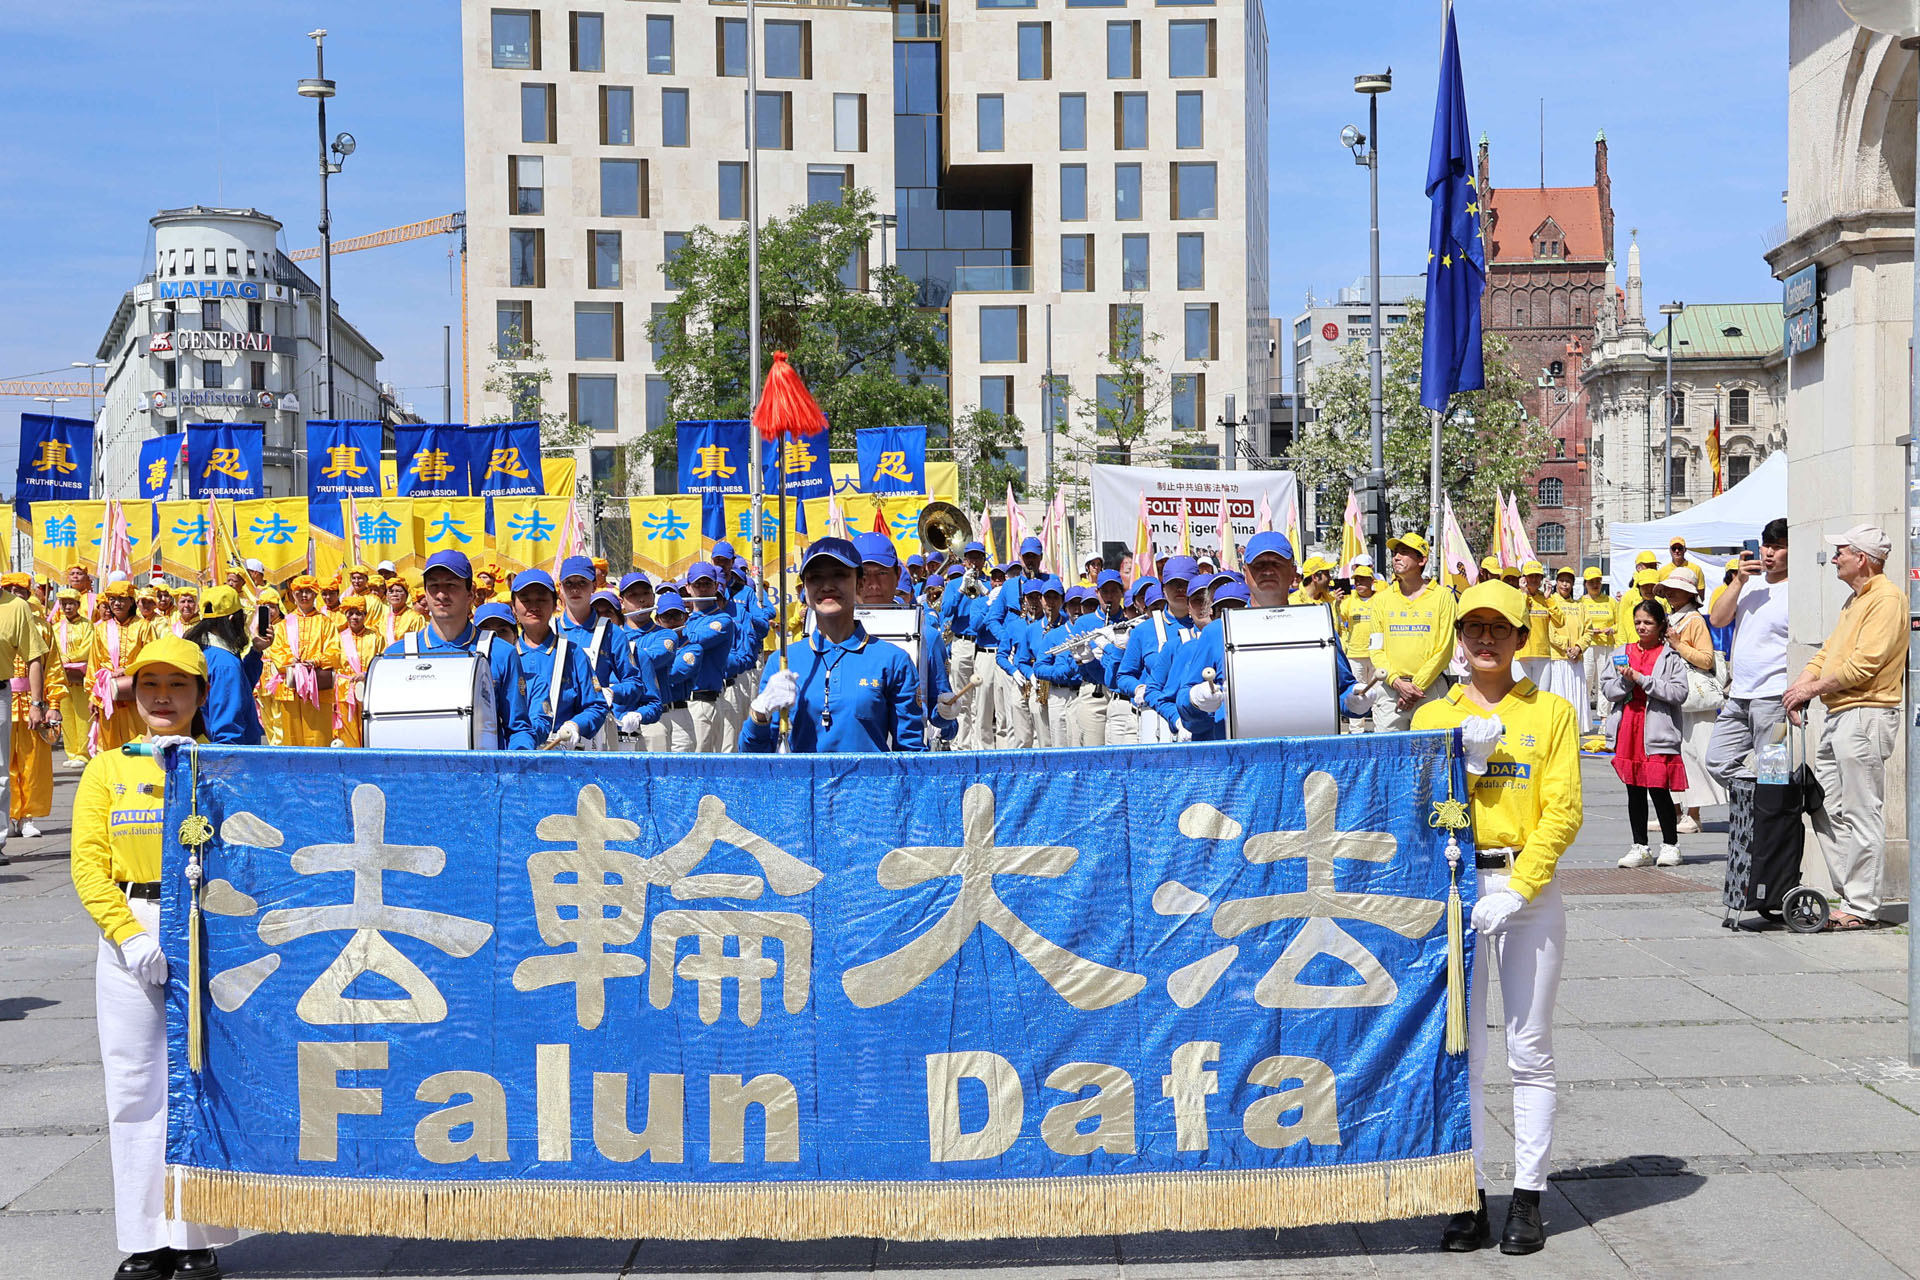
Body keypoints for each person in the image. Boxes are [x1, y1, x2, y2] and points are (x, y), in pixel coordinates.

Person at [1413, 581, 1581, 1257]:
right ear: (1459, 637)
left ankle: (1529, 1197)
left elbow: (1563, 810)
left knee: (1528, 1048)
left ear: (1520, 637)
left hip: (1524, 892)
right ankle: (1470, 1194)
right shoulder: (1433, 717)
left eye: (1499, 628)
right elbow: (1417, 810)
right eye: (1474, 628)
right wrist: (1460, 769)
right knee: (1466, 1052)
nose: (1486, 639)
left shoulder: (1552, 712)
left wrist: (1521, 887)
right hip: (1456, 888)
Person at [70, 636, 236, 1280]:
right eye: (150, 686)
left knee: (200, 1081)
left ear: (201, 695)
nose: (163, 698)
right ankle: (144, 1238)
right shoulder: (106, 770)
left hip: (205, 925)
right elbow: (88, 866)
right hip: (130, 927)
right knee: (134, 1083)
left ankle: (195, 1237)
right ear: (132, 694)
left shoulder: (225, 767)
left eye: (177, 685)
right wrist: (128, 935)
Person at [1784, 524, 1904, 929]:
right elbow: (1828, 653)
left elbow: (1863, 666)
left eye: (1842, 551)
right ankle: (1850, 895)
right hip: (1841, 713)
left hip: (1865, 713)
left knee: (1861, 811)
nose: (1835, 558)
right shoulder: (1856, 600)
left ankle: (1861, 906)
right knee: (1825, 806)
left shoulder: (1886, 599)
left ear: (1862, 559)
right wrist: (1801, 686)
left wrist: (1811, 689)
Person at [743, 537, 926, 752]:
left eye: (839, 575)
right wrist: (759, 714)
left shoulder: (894, 661)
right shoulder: (782, 662)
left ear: (859, 583)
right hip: (803, 776)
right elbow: (754, 757)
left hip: (870, 776)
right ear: (805, 590)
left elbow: (911, 754)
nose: (827, 586)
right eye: (815, 577)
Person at [381, 549, 533, 751]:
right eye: (434, 586)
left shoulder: (501, 653)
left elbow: (518, 729)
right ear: (425, 593)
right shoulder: (397, 656)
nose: (441, 594)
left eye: (451, 585)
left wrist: (519, 759)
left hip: (481, 770)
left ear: (470, 593)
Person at [1603, 597, 1691, 868]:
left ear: (1661, 625)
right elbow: (1607, 689)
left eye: (1648, 623)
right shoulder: (1622, 651)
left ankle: (1671, 844)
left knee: (1658, 788)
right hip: (1629, 726)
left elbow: (1679, 692)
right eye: (1638, 622)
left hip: (1657, 728)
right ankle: (1640, 845)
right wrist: (1625, 682)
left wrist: (1642, 679)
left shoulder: (1670, 656)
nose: (1641, 627)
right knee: (1634, 790)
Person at [1706, 518, 1790, 787]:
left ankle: (1770, 805)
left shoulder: (1797, 590)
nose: (1769, 553)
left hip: (1774, 696)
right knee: (1717, 760)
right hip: (1739, 693)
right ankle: (1759, 798)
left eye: (1778, 547)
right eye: (1766, 545)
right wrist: (1739, 580)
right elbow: (1717, 619)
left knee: (1773, 770)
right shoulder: (1749, 583)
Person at [1368, 533, 1457, 730]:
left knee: (1430, 749)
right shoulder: (1382, 600)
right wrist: (1397, 683)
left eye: (1404, 552)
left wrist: (1416, 686)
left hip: (1430, 690)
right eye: (1395, 553)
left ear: (1422, 560)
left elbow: (1444, 649)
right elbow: (1376, 649)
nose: (1396, 557)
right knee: (1389, 749)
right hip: (1390, 693)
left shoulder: (1443, 597)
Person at [512, 568, 606, 749]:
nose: (534, 606)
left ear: (555, 604)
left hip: (561, 748)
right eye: (525, 600)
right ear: (513, 607)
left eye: (541, 599)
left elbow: (596, 705)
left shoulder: (573, 653)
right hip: (514, 752)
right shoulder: (505, 657)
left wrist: (575, 725)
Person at [1659, 571, 1723, 833]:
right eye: (1668, 589)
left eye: (1676, 589)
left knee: (1694, 753)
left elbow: (1706, 660)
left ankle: (1693, 814)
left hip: (1693, 697)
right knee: (1673, 753)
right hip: (1673, 694)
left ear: (1689, 593)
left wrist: (1678, 645)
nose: (1670, 593)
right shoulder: (1671, 618)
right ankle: (1673, 813)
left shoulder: (1694, 620)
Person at [183, 587, 263, 746]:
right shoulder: (225, 664)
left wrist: (256, 651)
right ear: (233, 619)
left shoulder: (198, 649)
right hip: (229, 753)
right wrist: (229, 757)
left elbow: (241, 689)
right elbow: (227, 729)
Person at [265, 576, 338, 748]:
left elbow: (334, 652)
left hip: (317, 688)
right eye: (299, 592)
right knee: (292, 738)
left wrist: (316, 661)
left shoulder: (326, 623)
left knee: (319, 737)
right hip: (290, 688)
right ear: (293, 595)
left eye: (308, 592)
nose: (304, 596)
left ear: (315, 594)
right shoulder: (284, 624)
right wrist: (290, 660)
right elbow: (276, 651)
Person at [88, 581, 141, 755]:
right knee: (109, 742)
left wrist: (128, 669)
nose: (117, 603)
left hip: (134, 692)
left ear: (131, 601)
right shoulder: (101, 629)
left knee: (136, 738)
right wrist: (93, 695)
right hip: (106, 692)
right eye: (112, 599)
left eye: (122, 599)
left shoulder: (143, 627)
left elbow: (150, 658)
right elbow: (94, 663)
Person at [325, 596, 383, 748]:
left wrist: (366, 674)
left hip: (368, 689)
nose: (354, 617)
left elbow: (381, 662)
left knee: (369, 728)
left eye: (358, 613)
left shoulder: (376, 637)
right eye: (350, 613)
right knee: (347, 732)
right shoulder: (338, 638)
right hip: (344, 691)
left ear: (365, 615)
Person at [53, 586, 95, 767]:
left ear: (78, 605)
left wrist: (69, 658)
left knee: (82, 713)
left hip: (80, 675)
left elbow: (88, 647)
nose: (67, 607)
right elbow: (52, 648)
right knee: (66, 714)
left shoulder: (87, 625)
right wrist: (59, 660)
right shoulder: (56, 627)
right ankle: (71, 752)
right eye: (64, 604)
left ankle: (84, 753)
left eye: (71, 603)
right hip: (61, 675)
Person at [1578, 568, 1617, 723]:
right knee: (1586, 681)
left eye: (1598, 581)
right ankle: (1583, 718)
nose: (1595, 584)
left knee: (1604, 681)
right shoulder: (1580, 602)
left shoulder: (1610, 601)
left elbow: (1619, 623)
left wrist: (1611, 629)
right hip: (1587, 646)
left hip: (1606, 646)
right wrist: (1588, 630)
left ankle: (1604, 719)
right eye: (1591, 582)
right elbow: (1577, 624)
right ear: (1585, 584)